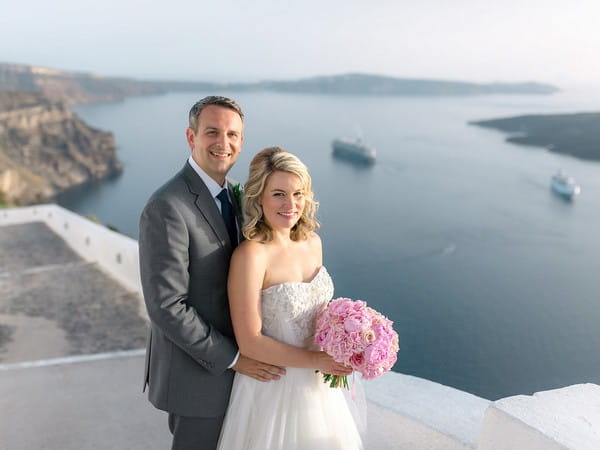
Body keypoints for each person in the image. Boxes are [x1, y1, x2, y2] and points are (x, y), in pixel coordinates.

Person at [139, 96, 285, 450]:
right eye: (212, 132)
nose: (224, 143)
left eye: (233, 134)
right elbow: (166, 306)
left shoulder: (238, 195)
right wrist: (234, 359)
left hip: (243, 373)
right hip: (199, 375)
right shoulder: (167, 207)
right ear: (191, 137)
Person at [217, 147, 364, 449]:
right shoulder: (251, 256)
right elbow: (250, 341)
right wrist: (316, 360)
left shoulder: (313, 242)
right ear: (259, 198)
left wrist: (351, 335)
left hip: (320, 388)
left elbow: (318, 315)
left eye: (298, 194)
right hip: (273, 388)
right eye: (279, 194)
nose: (291, 204)